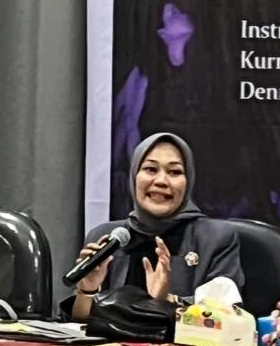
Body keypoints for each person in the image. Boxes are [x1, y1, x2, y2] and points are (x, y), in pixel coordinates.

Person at [65, 132, 244, 319]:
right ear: (134, 176)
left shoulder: (215, 239)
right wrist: (88, 290)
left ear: (188, 181)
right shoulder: (107, 237)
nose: (161, 181)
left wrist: (166, 300)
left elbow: (226, 316)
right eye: (151, 169)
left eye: (174, 172)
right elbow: (79, 323)